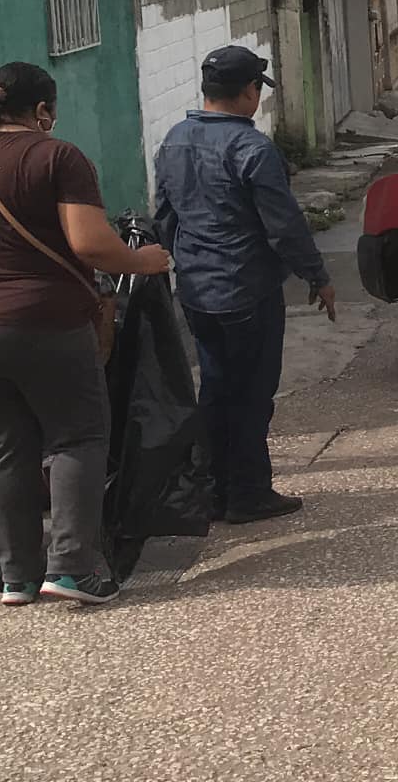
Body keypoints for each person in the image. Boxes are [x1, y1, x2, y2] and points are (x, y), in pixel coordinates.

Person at [0, 62, 172, 606]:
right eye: (50, 111)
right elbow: (90, 244)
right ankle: (73, 570)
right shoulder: (55, 155)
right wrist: (144, 259)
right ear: (41, 110)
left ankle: (17, 577)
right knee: (76, 436)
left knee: (3, 446)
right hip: (43, 320)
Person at [154, 46, 335, 524]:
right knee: (252, 393)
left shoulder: (173, 141)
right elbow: (284, 226)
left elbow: (164, 218)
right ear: (250, 92)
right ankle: (249, 492)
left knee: (215, 388)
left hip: (196, 292)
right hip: (247, 291)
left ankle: (211, 491)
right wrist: (317, 275)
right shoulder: (253, 149)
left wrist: (188, 264)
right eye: (259, 88)